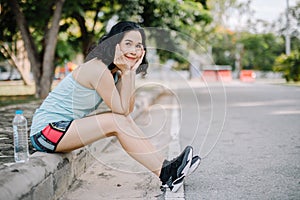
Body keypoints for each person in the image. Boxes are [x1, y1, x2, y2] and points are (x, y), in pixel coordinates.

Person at [30, 21, 201, 192]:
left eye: (138, 46)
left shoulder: (114, 73)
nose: (134, 50)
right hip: (46, 132)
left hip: (62, 130)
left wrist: (129, 73)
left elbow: (127, 110)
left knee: (121, 120)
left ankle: (166, 167)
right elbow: (119, 110)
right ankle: (167, 174)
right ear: (115, 44)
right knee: (115, 121)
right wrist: (128, 72)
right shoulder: (98, 68)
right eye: (128, 44)